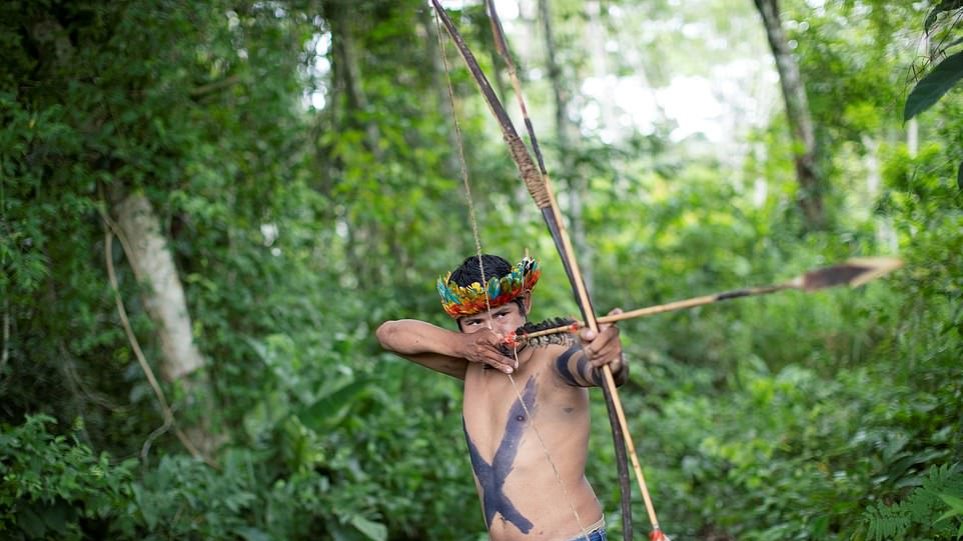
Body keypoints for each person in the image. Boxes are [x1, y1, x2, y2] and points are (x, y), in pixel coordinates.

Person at [376, 254, 627, 541]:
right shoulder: (473, 365)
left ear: (526, 304)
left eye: (502, 315)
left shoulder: (555, 358)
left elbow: (600, 371)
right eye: (475, 322)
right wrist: (461, 345)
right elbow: (389, 334)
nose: (493, 332)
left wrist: (608, 358)